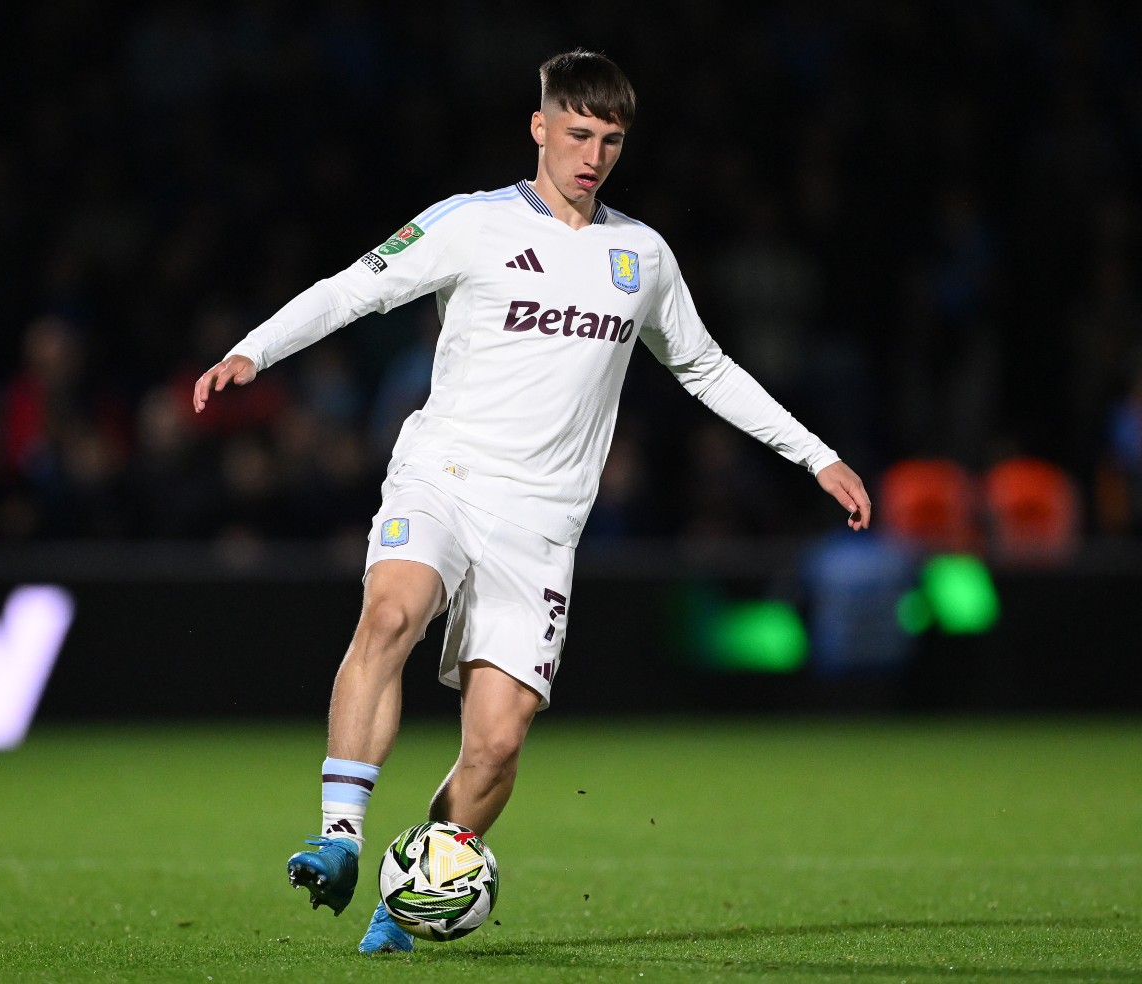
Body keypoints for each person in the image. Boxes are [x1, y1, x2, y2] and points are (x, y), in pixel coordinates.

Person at [192, 49, 871, 954]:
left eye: (612, 140)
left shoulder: (641, 256)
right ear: (540, 125)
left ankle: (408, 901)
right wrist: (253, 352)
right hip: (444, 476)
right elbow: (356, 287)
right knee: (392, 610)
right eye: (579, 132)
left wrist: (815, 454)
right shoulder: (470, 224)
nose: (593, 154)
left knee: (497, 747)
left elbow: (703, 366)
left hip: (544, 524)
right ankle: (340, 836)